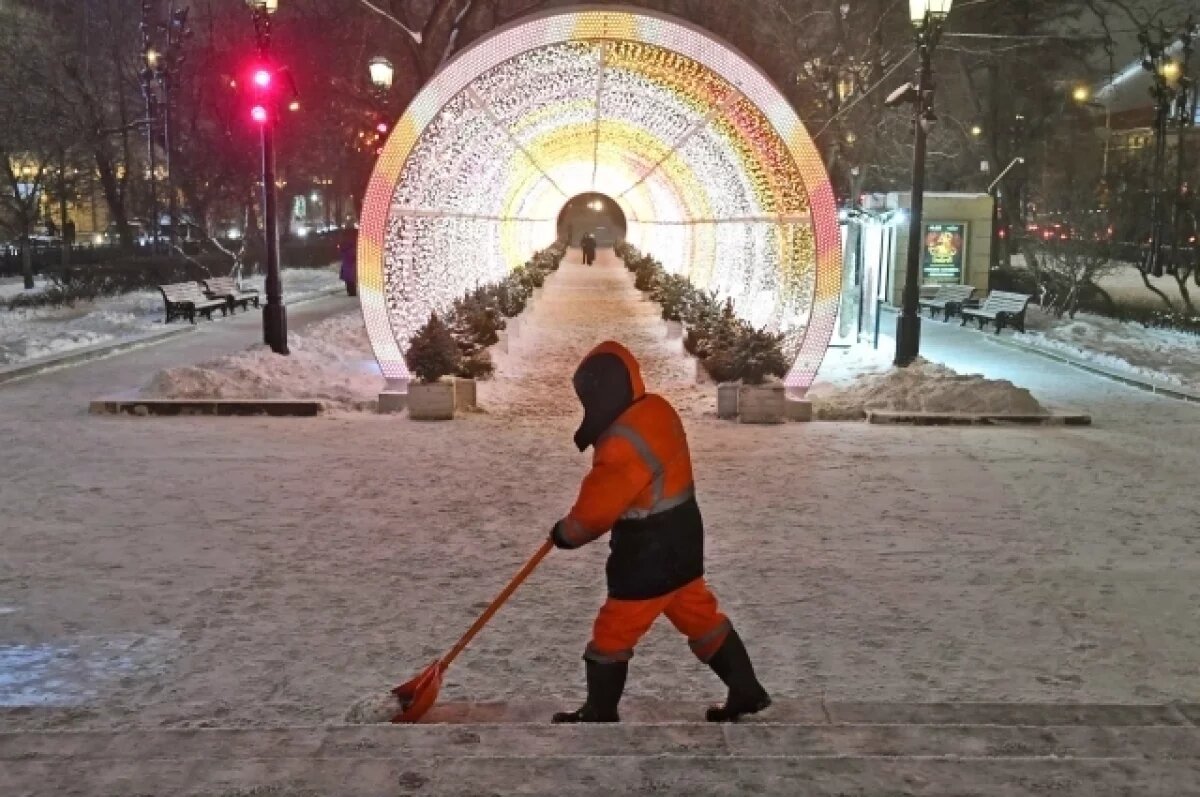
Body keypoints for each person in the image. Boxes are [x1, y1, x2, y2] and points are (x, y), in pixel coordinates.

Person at [549, 341, 771, 724]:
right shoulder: (656, 409)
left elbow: (596, 510)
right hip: (683, 536)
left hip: (648, 551)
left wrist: (566, 533)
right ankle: (745, 687)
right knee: (698, 614)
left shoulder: (622, 443)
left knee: (614, 629)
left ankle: (600, 710)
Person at [338, 229, 358, 296]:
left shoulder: (344, 246)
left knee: (349, 280)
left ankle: (350, 291)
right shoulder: (351, 247)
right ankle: (352, 292)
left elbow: (342, 253)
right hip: (350, 265)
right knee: (351, 279)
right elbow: (353, 255)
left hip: (346, 265)